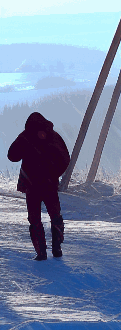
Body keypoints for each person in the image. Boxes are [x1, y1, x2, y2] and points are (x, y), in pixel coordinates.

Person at [7, 112, 69, 261]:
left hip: (32, 184)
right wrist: (53, 174)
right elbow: (65, 158)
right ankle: (57, 248)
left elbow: (12, 156)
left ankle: (41, 253)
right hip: (49, 184)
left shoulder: (26, 136)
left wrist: (22, 140)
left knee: (34, 219)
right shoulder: (53, 136)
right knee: (55, 216)